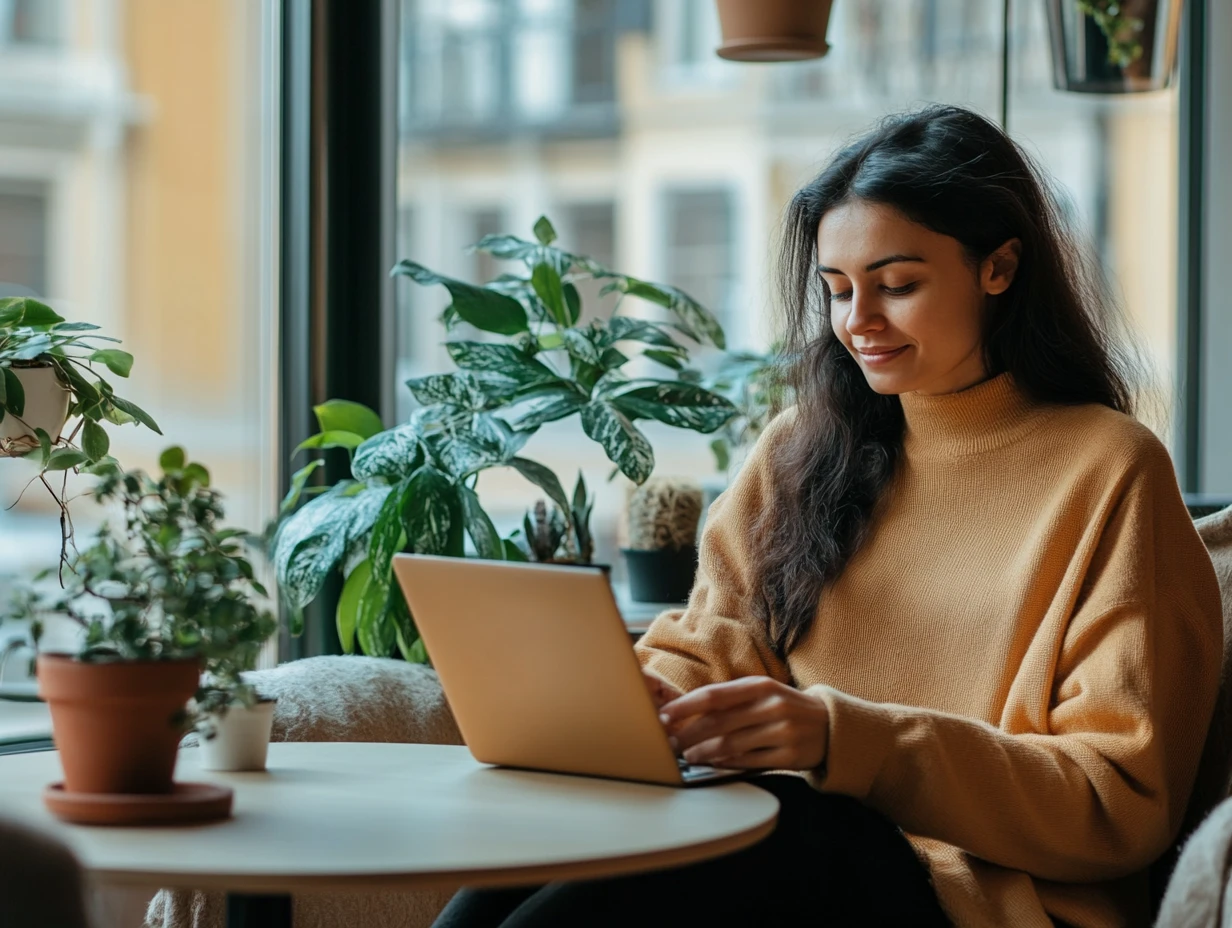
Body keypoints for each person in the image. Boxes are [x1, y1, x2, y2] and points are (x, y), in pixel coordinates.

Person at [433, 104, 1222, 928]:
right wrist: (637, 701)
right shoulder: (804, 449)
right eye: (838, 291)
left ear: (1000, 266)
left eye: (898, 285)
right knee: (537, 857)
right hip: (793, 853)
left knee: (785, 828)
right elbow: (716, 642)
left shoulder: (1109, 469)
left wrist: (844, 741)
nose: (858, 323)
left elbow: (1119, 803)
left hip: (970, 900)